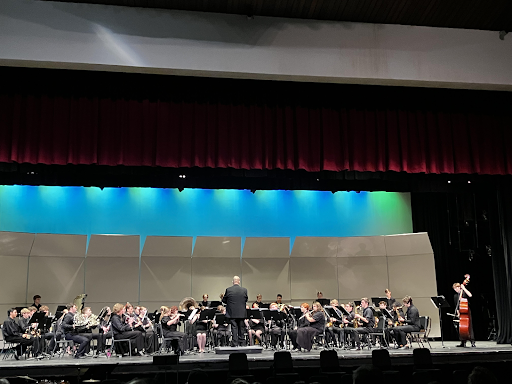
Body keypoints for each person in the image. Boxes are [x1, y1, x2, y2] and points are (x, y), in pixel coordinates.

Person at [221, 276, 248, 347]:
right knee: (241, 328)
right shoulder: (244, 290)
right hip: (241, 312)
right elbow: (246, 299)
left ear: (233, 281)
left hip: (232, 312)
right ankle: (242, 342)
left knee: (234, 327)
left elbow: (224, 300)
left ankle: (235, 343)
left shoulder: (228, 290)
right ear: (239, 281)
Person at [453, 282, 476, 348]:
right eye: (454, 289)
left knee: (469, 326)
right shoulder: (455, 296)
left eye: (456, 288)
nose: (456, 290)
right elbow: (457, 306)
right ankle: (463, 341)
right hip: (461, 312)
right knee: (461, 327)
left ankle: (472, 341)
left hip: (467, 311)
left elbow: (470, 295)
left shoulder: (464, 293)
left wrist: (464, 288)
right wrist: (458, 313)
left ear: (459, 287)